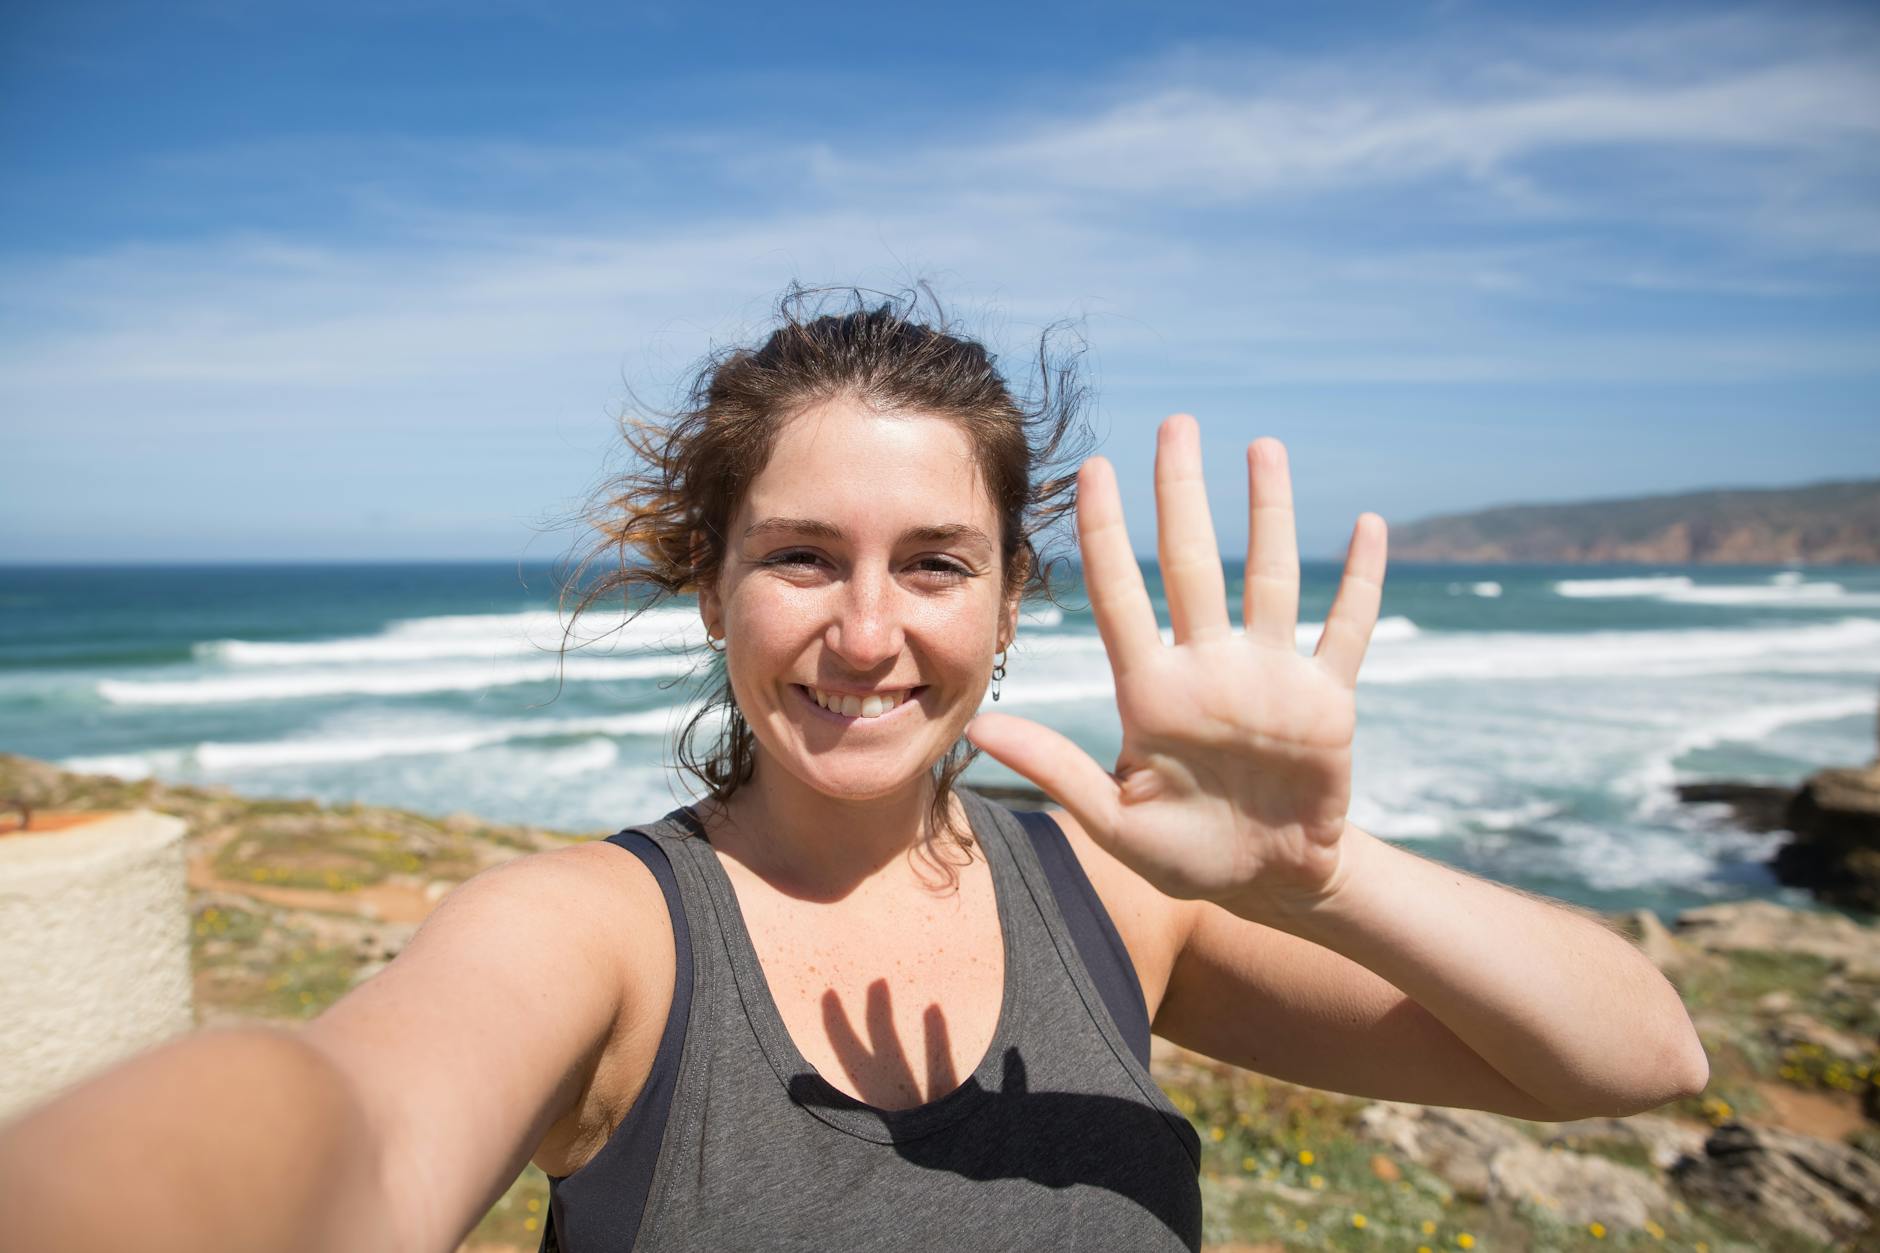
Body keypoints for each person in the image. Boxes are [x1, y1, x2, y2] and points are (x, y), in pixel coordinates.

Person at [0, 287, 1709, 1252]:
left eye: (937, 564)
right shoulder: (600, 935)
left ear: (1011, 599)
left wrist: (1325, 877)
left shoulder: (1118, 898)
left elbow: (1631, 1060)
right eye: (804, 556)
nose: (869, 631)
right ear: (714, 581)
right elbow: (352, 1138)